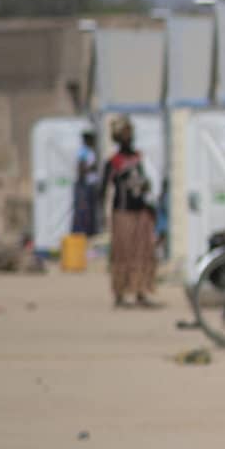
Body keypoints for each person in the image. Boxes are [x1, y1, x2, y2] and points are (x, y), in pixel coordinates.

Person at [102, 117, 159, 309]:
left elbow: (147, 182)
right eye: (124, 134)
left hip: (141, 212)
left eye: (130, 134)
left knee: (143, 252)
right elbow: (103, 188)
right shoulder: (114, 162)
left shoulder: (138, 159)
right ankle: (120, 292)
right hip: (123, 213)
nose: (129, 138)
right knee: (123, 253)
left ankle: (141, 291)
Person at [70, 130, 101, 238]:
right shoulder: (83, 152)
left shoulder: (90, 151)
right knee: (84, 214)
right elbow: (81, 169)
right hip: (85, 186)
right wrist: (92, 168)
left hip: (90, 185)